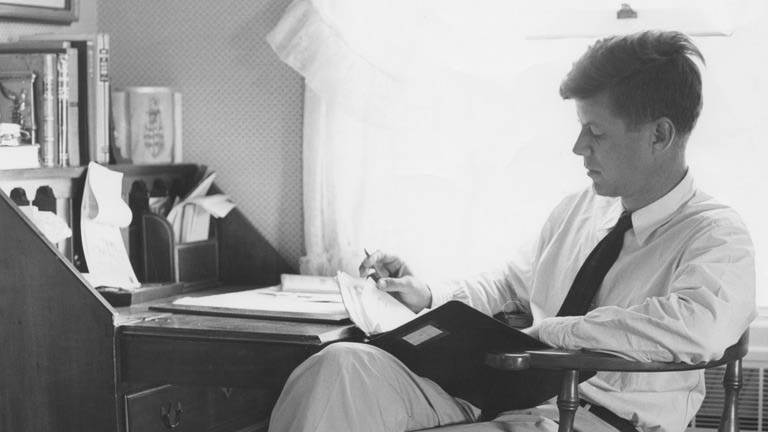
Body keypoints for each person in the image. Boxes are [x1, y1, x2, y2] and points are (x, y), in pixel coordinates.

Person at [268, 30, 756, 432]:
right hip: (504, 396)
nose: (578, 147)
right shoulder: (578, 212)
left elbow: (694, 327)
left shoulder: (715, 237)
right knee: (340, 369)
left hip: (592, 418)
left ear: (660, 135)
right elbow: (509, 285)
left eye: (596, 132)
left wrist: (549, 336)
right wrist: (429, 294)